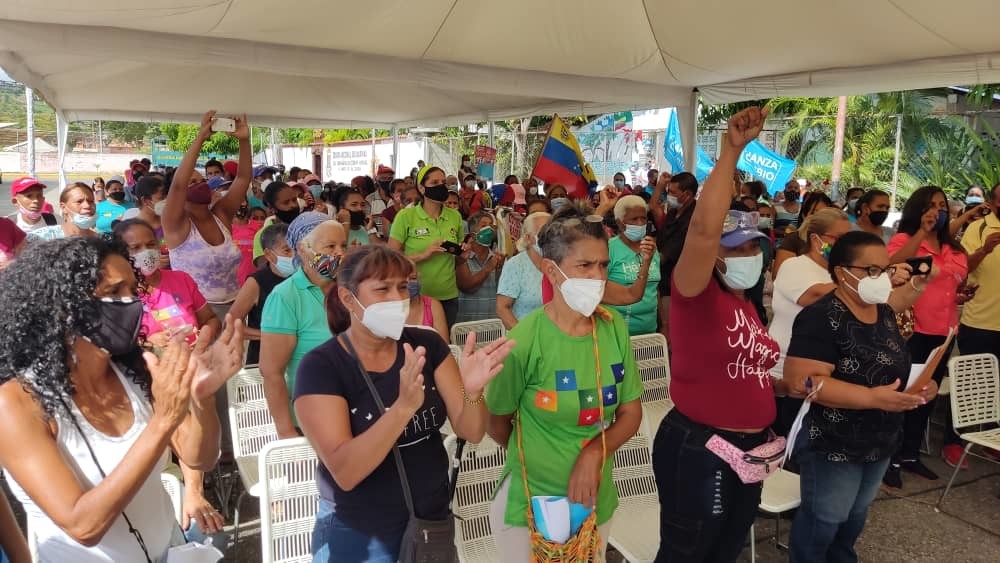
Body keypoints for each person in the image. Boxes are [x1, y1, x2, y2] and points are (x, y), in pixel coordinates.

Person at [0, 236, 243, 562]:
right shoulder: (16, 402)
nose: (130, 303)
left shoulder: (136, 369)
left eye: (132, 290)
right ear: (62, 305)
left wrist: (202, 399)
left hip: (168, 550)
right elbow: (83, 525)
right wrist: (163, 422)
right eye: (114, 292)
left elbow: (200, 458)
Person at [296, 245, 514, 562]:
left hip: (430, 523)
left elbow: (471, 431)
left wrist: (473, 390)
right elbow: (346, 472)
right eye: (382, 288)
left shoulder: (427, 344)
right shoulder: (321, 367)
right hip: (361, 533)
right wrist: (402, 408)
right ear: (347, 298)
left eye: (402, 286)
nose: (397, 298)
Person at [652, 108, 785, 562]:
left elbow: (737, 368)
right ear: (715, 257)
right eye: (736, 248)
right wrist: (731, 150)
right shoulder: (696, 292)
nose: (748, 254)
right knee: (687, 552)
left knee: (726, 551)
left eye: (753, 246)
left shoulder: (745, 304)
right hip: (702, 447)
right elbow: (704, 230)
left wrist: (783, 386)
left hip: (752, 450)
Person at [485, 201, 643, 560]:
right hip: (530, 506)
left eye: (603, 265)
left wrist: (594, 451)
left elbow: (630, 413)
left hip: (594, 502)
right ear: (552, 271)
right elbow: (497, 423)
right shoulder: (525, 340)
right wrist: (543, 454)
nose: (598, 277)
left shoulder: (613, 328)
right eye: (584, 266)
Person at [784, 231, 936, 562]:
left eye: (885, 269)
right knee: (825, 519)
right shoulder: (821, 317)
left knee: (854, 516)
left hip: (880, 438)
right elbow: (802, 381)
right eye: (872, 270)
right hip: (833, 442)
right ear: (842, 272)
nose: (882, 278)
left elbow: (891, 364)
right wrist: (872, 398)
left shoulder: (882, 311)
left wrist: (921, 386)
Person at [112, 219, 226, 540]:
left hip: (191, 373)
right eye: (135, 248)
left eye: (150, 244)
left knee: (193, 428)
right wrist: (147, 342)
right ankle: (188, 494)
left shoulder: (181, 280)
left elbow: (210, 320)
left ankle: (194, 492)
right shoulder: (120, 295)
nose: (146, 252)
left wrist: (203, 340)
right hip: (147, 382)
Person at [884, 185, 969, 486]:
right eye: (931, 205)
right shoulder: (905, 239)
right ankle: (890, 458)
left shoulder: (953, 247)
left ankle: (910, 454)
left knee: (925, 396)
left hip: (944, 330)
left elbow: (952, 281)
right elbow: (891, 265)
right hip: (913, 330)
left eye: (942, 205)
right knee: (903, 393)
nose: (938, 210)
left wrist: (960, 295)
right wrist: (922, 232)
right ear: (918, 209)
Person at [260, 212, 347, 439]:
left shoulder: (350, 289)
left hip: (357, 411)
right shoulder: (286, 297)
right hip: (313, 422)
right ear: (302, 248)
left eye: (343, 245)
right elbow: (272, 372)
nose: (339, 253)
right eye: (330, 246)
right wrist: (287, 432)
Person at [768, 209, 851, 434]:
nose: (848, 246)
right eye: (840, 239)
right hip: (784, 375)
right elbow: (814, 296)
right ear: (816, 239)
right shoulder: (794, 266)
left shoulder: (841, 275)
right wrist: (859, 283)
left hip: (824, 374)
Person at [162, 111, 251, 320]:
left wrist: (244, 140)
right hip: (196, 313)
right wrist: (201, 137)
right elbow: (178, 185)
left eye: (202, 180)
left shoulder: (221, 214)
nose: (201, 184)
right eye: (192, 182)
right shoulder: (176, 224)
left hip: (234, 310)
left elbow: (243, 178)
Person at [953, 183, 1000, 466]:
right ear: (992, 203)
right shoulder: (978, 228)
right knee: (970, 385)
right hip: (980, 321)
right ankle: (953, 441)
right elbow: (963, 269)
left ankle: (991, 439)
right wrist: (984, 249)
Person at [389, 166, 464, 328]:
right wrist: (424, 254)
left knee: (443, 342)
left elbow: (459, 256)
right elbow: (391, 258)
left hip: (448, 296)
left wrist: (463, 251)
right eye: (435, 182)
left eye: (443, 182)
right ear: (422, 188)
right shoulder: (406, 216)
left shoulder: (455, 216)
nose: (441, 186)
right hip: (415, 296)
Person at [229, 224, 294, 365]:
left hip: (295, 358)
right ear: (269, 255)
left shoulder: (301, 278)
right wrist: (269, 335)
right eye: (287, 250)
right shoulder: (256, 282)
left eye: (296, 249)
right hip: (263, 360)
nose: (293, 255)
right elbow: (231, 325)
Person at [650, 171, 699, 341]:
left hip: (679, 285)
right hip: (663, 279)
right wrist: (660, 186)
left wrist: (643, 265)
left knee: (671, 331)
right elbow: (654, 207)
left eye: (672, 192)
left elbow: (666, 255)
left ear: (687, 195)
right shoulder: (673, 212)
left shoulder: (694, 219)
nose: (668, 196)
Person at [607, 195, 661, 335]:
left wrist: (664, 323)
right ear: (620, 223)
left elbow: (655, 289)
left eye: (643, 218)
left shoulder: (651, 248)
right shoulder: (609, 249)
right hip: (617, 332)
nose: (640, 223)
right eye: (634, 219)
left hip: (650, 330)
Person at [496, 212, 551, 329]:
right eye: (543, 232)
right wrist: (522, 335)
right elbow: (502, 308)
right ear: (528, 238)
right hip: (525, 333)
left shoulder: (558, 263)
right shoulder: (516, 265)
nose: (549, 237)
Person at [456, 211, 503, 323]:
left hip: (492, 324)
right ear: (473, 234)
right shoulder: (463, 257)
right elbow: (466, 286)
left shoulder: (496, 258)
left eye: (491, 225)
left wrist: (500, 268)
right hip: (466, 325)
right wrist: (488, 268)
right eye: (483, 225)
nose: (489, 229)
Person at [772, 192, 834, 276]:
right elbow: (778, 276)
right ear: (804, 215)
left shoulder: (833, 241)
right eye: (815, 213)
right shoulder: (793, 240)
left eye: (825, 214)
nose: (820, 217)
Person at [252, 180, 303, 268]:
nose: (293, 205)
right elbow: (262, 266)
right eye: (286, 202)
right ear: (272, 208)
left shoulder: (305, 226)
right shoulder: (262, 235)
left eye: (294, 200)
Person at [27, 183, 98, 241]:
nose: (87, 205)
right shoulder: (42, 238)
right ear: (63, 207)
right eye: (79, 202)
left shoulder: (100, 241)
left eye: (91, 201)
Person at [405, 270, 449, 341]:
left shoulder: (432, 305)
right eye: (403, 281)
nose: (409, 283)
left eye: (413, 278)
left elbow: (444, 344)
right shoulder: (388, 309)